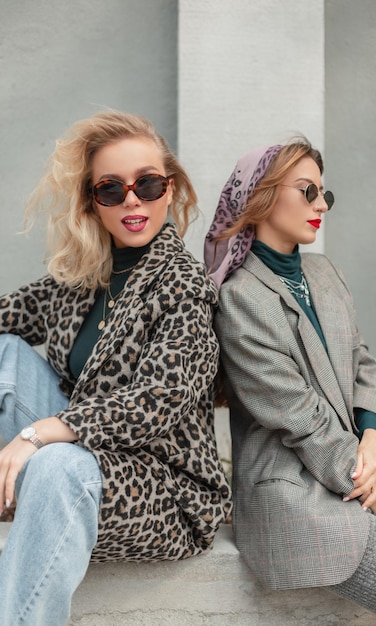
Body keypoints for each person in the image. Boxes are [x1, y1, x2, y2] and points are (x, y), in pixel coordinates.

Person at [0, 110, 232, 626]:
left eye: (147, 184)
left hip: (163, 490)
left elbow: (158, 400)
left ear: (169, 190)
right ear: (92, 202)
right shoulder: (84, 274)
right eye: (112, 189)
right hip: (79, 453)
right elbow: (8, 315)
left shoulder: (183, 287)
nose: (133, 200)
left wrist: (40, 434)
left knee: (60, 465)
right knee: (6, 354)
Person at [204, 138, 376, 625]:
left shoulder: (324, 272)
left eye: (325, 194)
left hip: (356, 468)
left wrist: (374, 438)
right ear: (262, 195)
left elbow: (363, 363)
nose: (322, 204)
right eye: (308, 191)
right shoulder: (240, 299)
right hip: (297, 495)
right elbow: (300, 418)